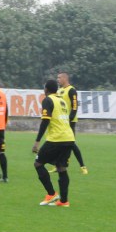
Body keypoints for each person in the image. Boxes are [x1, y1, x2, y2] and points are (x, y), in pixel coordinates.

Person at [32, 79, 75, 207]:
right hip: (69, 138)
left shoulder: (48, 100)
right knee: (62, 168)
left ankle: (51, 194)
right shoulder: (61, 100)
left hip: (56, 139)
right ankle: (64, 201)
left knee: (38, 163)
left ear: (46, 89)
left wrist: (37, 141)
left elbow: (45, 121)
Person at [51, 71, 88, 174]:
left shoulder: (71, 90)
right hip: (61, 121)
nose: (58, 80)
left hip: (70, 122)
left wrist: (70, 119)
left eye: (59, 78)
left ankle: (83, 166)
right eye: (57, 78)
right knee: (59, 143)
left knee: (71, 144)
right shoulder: (59, 91)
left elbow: (75, 106)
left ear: (65, 79)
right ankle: (58, 165)